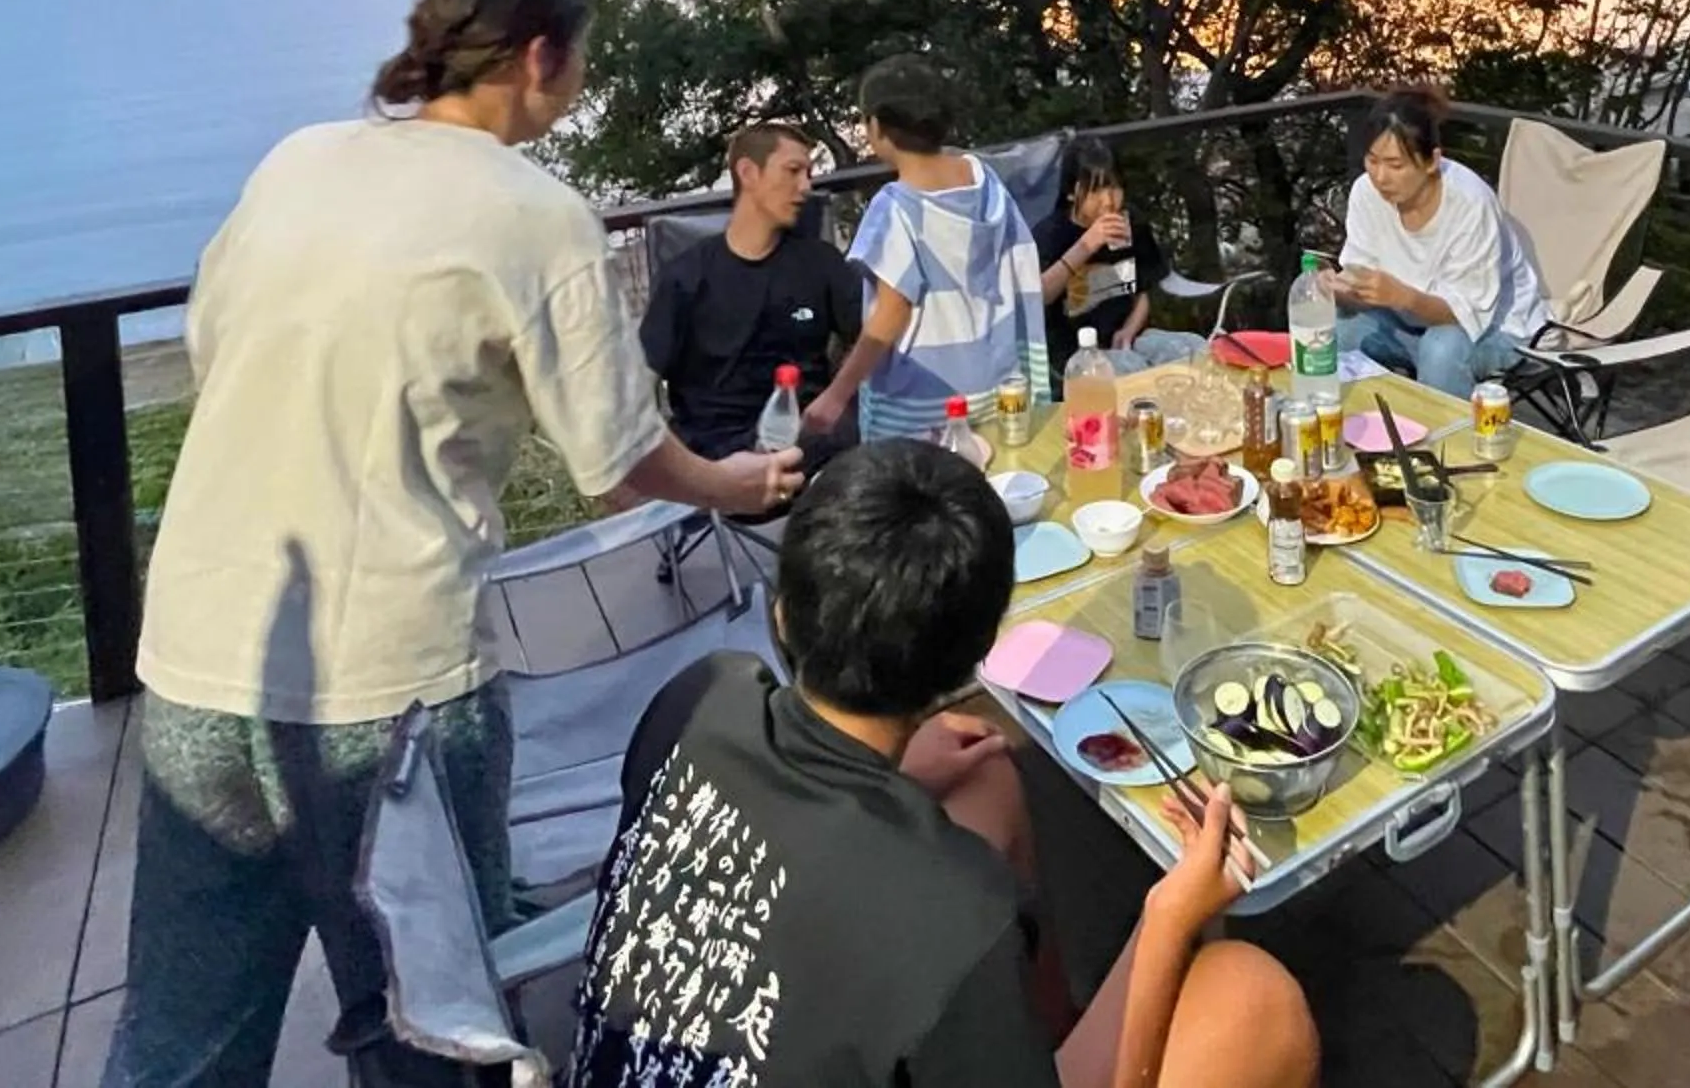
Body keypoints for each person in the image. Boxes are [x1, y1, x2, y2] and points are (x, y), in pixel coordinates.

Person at [112, 0, 804, 1088]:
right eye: (576, 61)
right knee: (435, 1022)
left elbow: (211, 346)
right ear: (540, 56)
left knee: (180, 1037)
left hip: (194, 655)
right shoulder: (536, 214)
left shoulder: (300, 159)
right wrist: (736, 483)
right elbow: (620, 460)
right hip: (385, 694)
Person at [566, 440, 1321, 1088]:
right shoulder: (951, 913)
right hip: (927, 943)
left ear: (783, 613)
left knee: (985, 784)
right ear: (971, 658)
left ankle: (1028, 1040)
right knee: (1251, 996)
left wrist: (887, 771)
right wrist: (1171, 913)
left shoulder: (697, 700)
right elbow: (916, 914)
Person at [805, 54, 1043, 444]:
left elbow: (890, 314)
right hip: (995, 384)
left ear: (876, 125)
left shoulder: (895, 207)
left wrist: (836, 394)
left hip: (923, 407)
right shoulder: (984, 180)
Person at [639, 120, 865, 461]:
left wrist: (837, 395)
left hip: (808, 443)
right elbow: (643, 378)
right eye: (793, 171)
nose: (806, 187)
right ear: (748, 173)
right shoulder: (687, 275)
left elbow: (872, 337)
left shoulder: (819, 263)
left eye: (809, 173)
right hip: (713, 457)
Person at [1330, 85, 1547, 398]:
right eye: (1372, 160)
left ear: (1431, 161)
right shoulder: (1367, 192)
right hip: (1411, 321)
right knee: (1339, 328)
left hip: (1497, 330)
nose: (1380, 177)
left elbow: (1462, 315)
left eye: (1395, 165)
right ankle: (1352, 430)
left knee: (1441, 348)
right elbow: (1361, 278)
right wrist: (1340, 291)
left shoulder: (1470, 204)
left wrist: (1401, 296)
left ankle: (1445, 443)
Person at [1032, 134, 1173, 392]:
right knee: (1137, 376)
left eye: (1115, 187)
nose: (1108, 201)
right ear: (1071, 192)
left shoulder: (1132, 223)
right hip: (1077, 356)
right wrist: (1087, 244)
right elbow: (1039, 295)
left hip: (1130, 339)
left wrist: (1130, 329)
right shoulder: (1051, 234)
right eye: (1095, 190)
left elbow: (1142, 290)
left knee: (1190, 350)